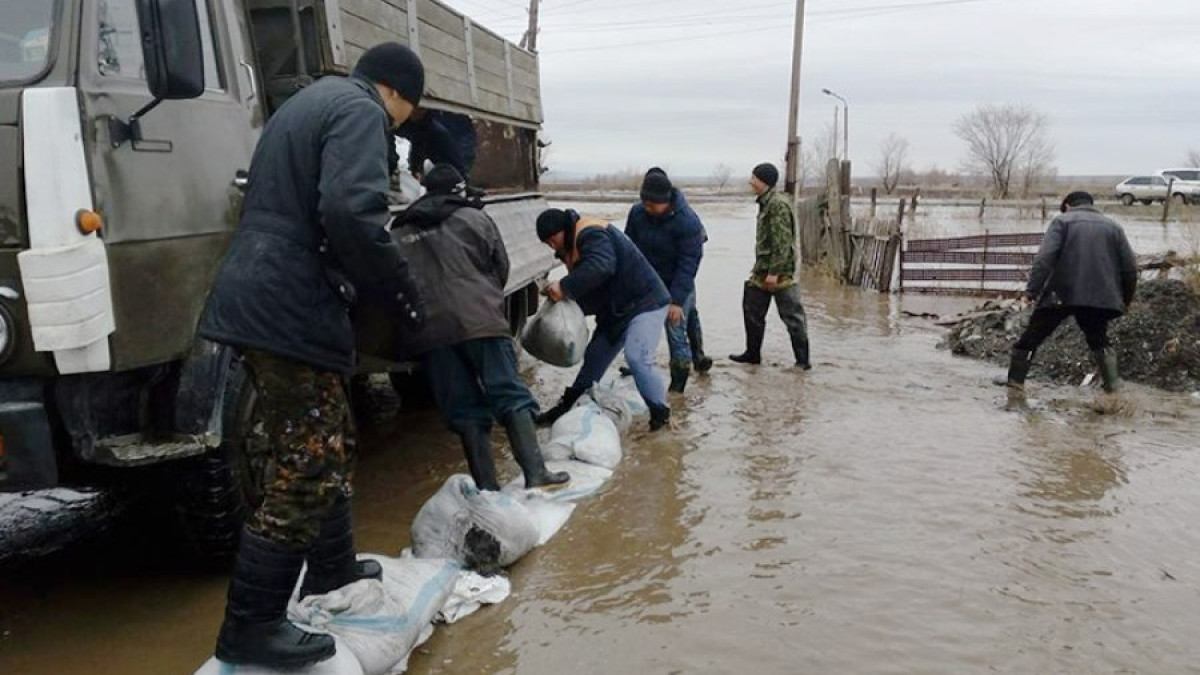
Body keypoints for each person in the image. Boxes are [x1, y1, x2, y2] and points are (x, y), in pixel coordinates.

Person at [198, 42, 426, 669]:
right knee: (309, 461)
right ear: (399, 94)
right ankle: (250, 626)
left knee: (333, 438)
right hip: (285, 302)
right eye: (407, 116)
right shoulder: (362, 112)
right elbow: (352, 212)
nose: (400, 130)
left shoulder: (310, 101)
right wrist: (401, 296)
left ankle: (330, 568)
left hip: (269, 292)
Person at [391, 164, 569, 491]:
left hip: (430, 333)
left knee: (463, 408)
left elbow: (394, 282)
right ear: (459, 190)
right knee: (509, 393)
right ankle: (536, 473)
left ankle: (488, 489)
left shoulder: (398, 229)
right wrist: (484, 300)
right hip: (480, 322)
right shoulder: (475, 218)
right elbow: (501, 268)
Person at [534, 208, 673, 431]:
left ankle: (661, 415)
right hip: (615, 311)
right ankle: (565, 407)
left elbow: (601, 267)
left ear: (563, 231)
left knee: (637, 358)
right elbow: (593, 289)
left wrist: (565, 286)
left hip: (646, 302)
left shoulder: (590, 234)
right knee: (593, 360)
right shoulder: (571, 246)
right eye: (547, 243)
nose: (552, 246)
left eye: (553, 239)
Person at [996, 190, 1137, 398]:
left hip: (1061, 294)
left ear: (1068, 206)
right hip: (1098, 298)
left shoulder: (1062, 222)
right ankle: (1113, 391)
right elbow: (1129, 269)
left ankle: (1015, 387)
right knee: (1099, 339)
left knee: (1031, 339)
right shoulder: (1114, 227)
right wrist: (1125, 300)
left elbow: (1044, 259)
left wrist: (1031, 291)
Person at [624, 168, 706, 392]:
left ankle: (678, 390)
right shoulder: (638, 213)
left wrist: (677, 300)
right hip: (649, 282)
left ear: (666, 201)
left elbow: (689, 261)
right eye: (645, 203)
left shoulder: (687, 221)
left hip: (677, 283)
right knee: (638, 324)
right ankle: (640, 364)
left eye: (652, 204)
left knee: (676, 329)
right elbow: (629, 249)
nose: (647, 208)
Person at [730, 163, 812, 369]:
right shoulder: (767, 202)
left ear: (763, 181)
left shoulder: (777, 205)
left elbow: (782, 241)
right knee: (751, 307)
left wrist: (775, 272)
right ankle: (752, 354)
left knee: (793, 317)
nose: (751, 182)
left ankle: (803, 362)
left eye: (754, 178)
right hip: (762, 270)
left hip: (779, 272)